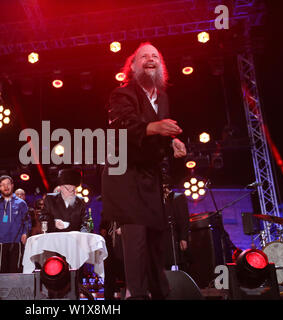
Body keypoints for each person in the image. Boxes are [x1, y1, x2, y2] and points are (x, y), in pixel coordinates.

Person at [101, 42, 187, 300]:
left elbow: (159, 134)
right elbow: (122, 127)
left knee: (155, 244)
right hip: (126, 176)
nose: (151, 59)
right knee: (136, 242)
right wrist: (155, 128)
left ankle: (161, 294)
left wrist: (172, 142)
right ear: (133, 65)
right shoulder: (122, 94)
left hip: (150, 180)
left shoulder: (163, 98)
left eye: (155, 56)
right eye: (144, 57)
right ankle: (135, 294)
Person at [41, 168, 89, 233]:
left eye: (73, 189)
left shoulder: (80, 201)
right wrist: (53, 223)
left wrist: (82, 234)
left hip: (74, 239)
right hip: (54, 237)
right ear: (61, 187)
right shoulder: (50, 199)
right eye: (68, 189)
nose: (71, 192)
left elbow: (86, 222)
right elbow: (43, 217)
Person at [162, 183, 190, 270]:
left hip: (174, 234)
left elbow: (184, 219)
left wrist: (183, 237)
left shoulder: (178, 197)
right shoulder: (158, 199)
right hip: (162, 236)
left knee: (176, 262)